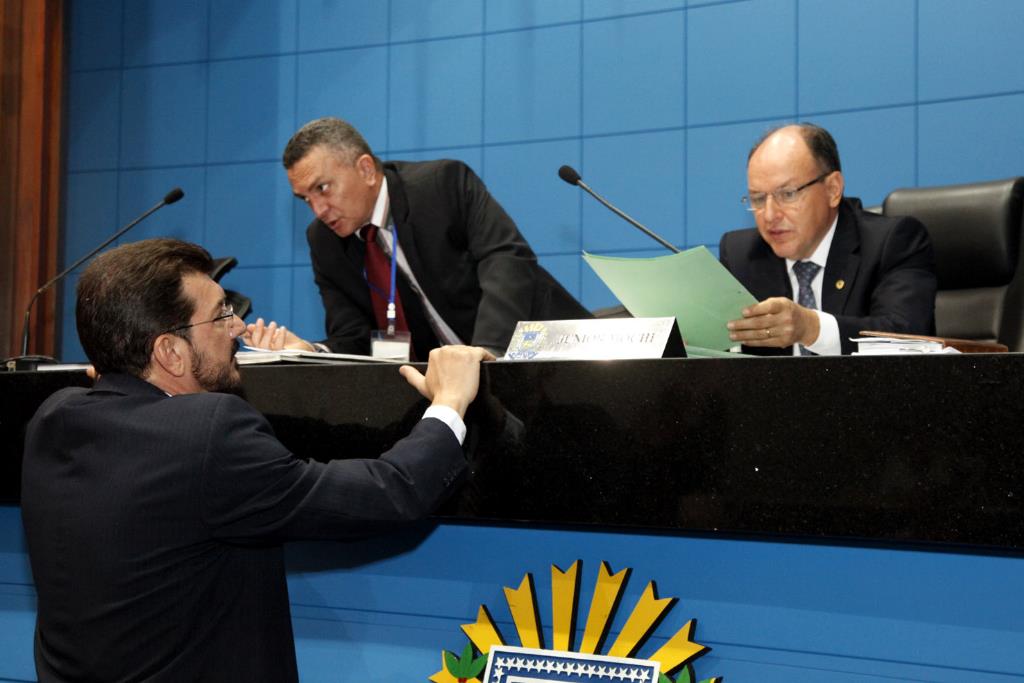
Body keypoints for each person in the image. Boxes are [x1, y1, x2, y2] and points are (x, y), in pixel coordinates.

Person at [20, 238, 493, 682]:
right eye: (220, 316)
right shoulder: (206, 434)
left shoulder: (53, 418)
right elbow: (388, 493)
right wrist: (449, 402)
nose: (240, 328)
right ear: (169, 352)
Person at [282, 116, 591, 360]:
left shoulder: (440, 186)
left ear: (366, 170)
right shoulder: (324, 242)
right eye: (305, 198)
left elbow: (506, 258)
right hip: (451, 390)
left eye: (322, 188)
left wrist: (485, 353)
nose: (318, 210)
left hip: (544, 354)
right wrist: (310, 351)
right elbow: (354, 336)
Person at [719, 123, 937, 356]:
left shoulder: (893, 242)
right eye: (758, 198)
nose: (770, 215)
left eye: (788, 194)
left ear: (833, 189)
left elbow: (909, 338)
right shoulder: (741, 255)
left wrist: (811, 328)